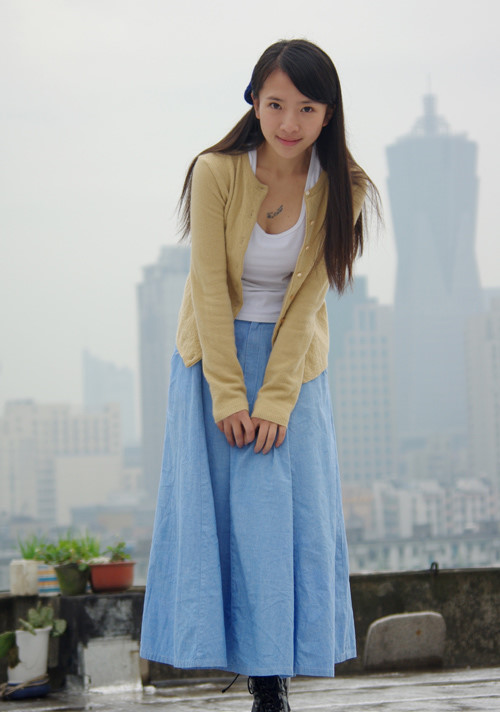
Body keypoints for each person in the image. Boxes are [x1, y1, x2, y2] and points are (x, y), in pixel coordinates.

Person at [140, 39, 378, 712]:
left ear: (328, 113)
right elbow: (208, 289)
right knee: (213, 516)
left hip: (293, 367)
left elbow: (308, 301)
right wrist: (227, 395)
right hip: (211, 360)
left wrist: (275, 399)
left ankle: (273, 682)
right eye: (275, 104)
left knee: (282, 518)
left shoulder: (345, 186)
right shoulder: (216, 171)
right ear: (253, 102)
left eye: (306, 108)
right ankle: (237, 663)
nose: (288, 123)